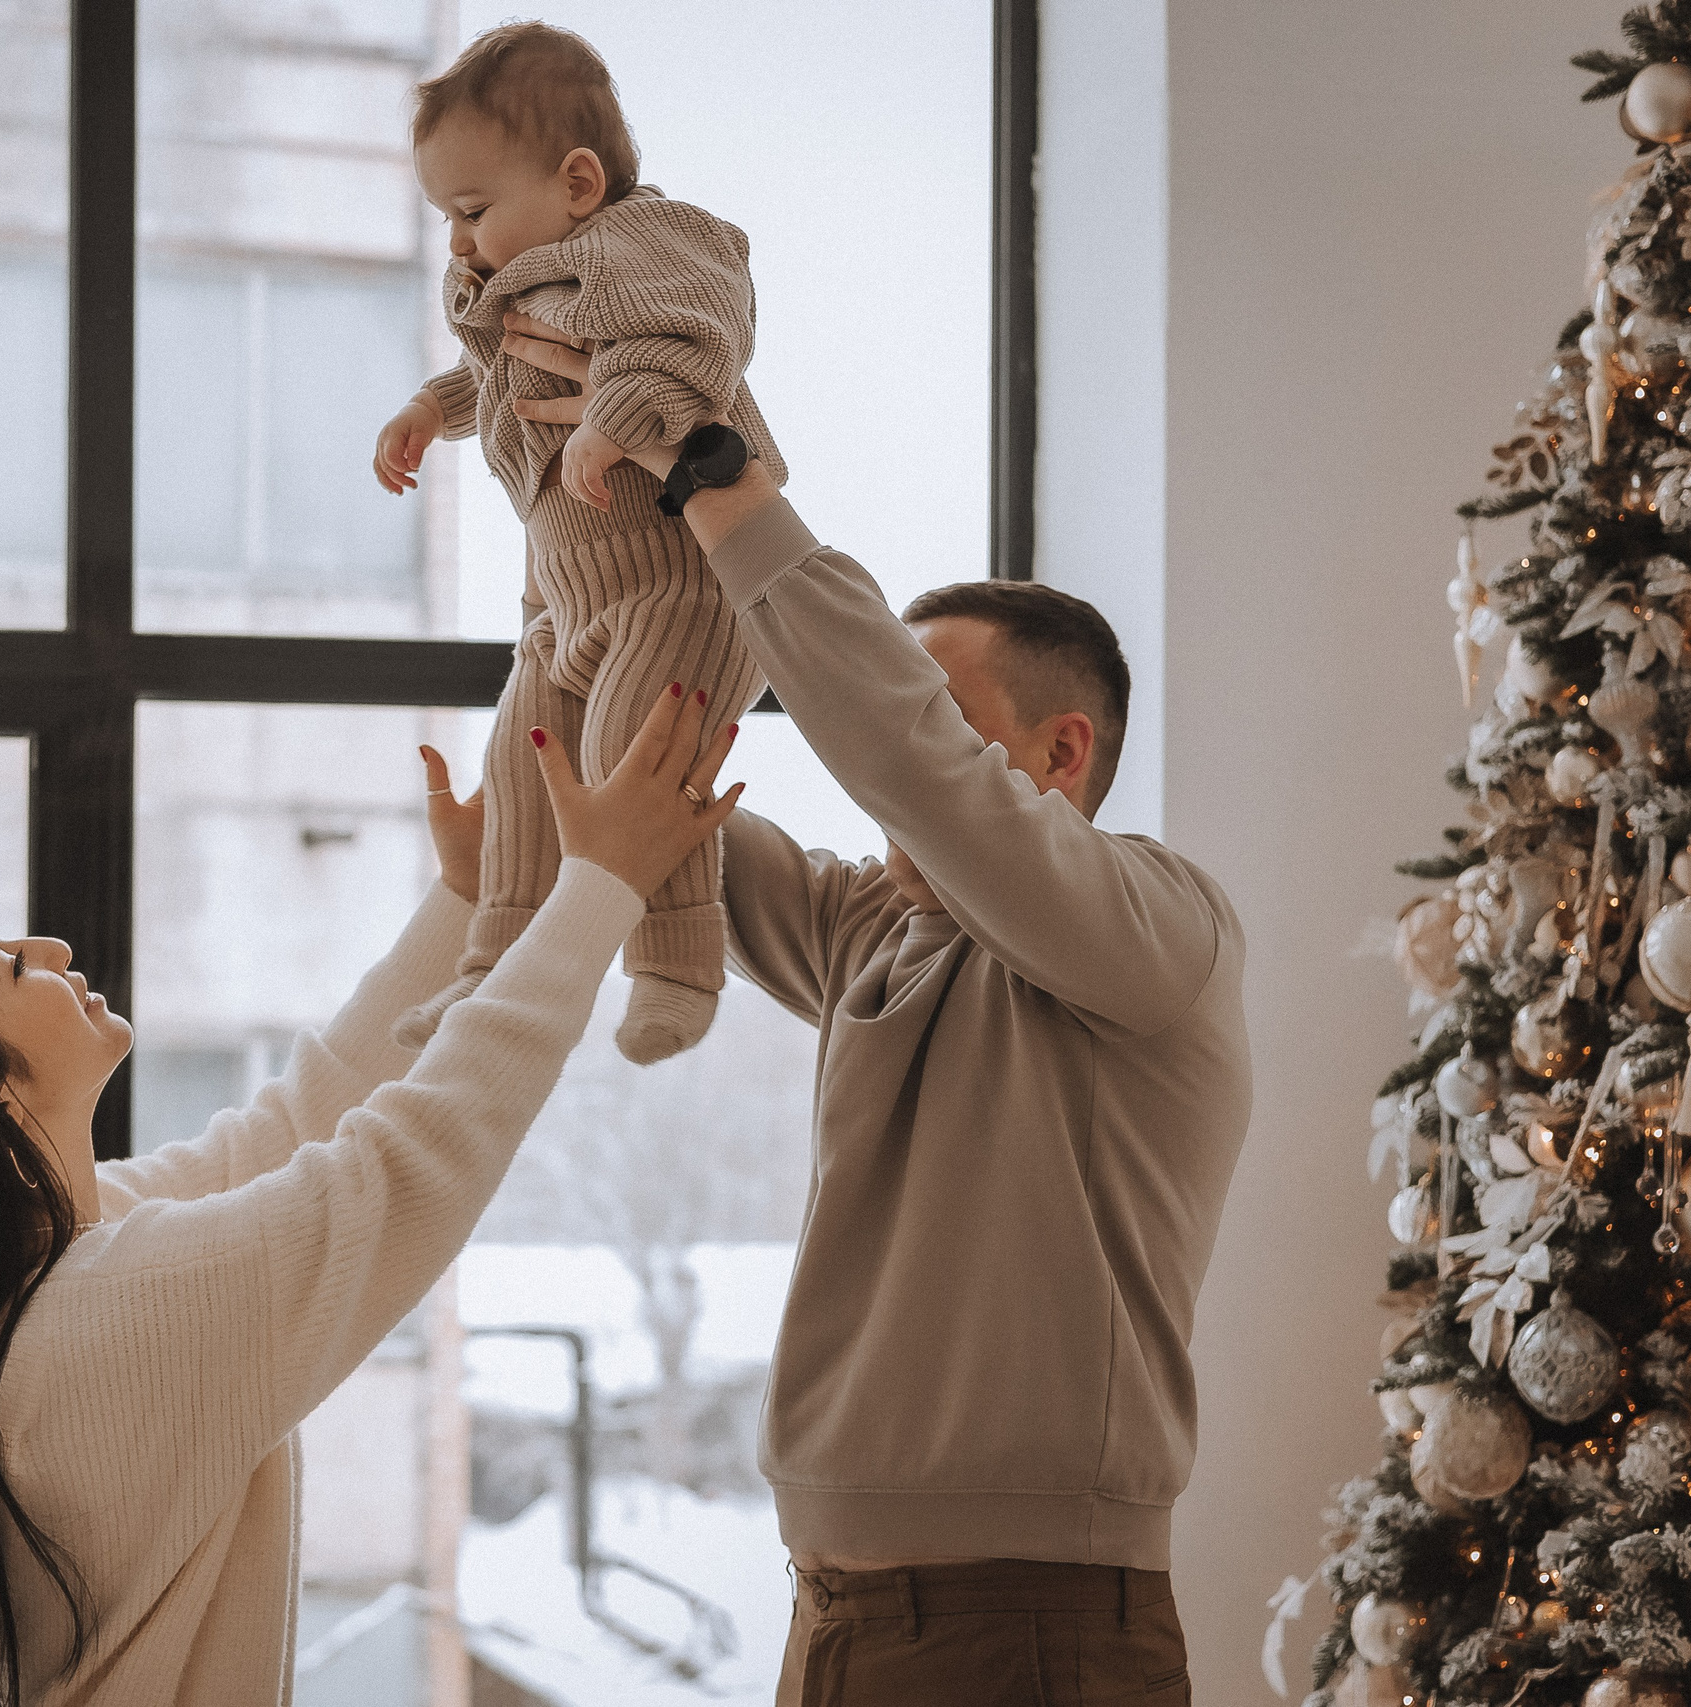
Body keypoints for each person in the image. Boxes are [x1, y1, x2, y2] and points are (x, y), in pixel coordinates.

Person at [483, 318, 1252, 1705]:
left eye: (945, 722)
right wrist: (579, 546)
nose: (882, 779)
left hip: (1029, 1621)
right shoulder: (878, 936)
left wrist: (723, 479)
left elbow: (904, 752)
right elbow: (656, 803)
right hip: (836, 1609)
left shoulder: (1162, 927)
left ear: (1061, 753)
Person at [0, 687, 743, 1706]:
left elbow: (293, 1130)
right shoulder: (103, 1316)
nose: (52, 951)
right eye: (10, 966)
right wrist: (600, 887)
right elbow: (405, 1163)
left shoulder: (52, 1264)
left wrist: (465, 904)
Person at [371, 21, 786, 1066]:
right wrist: (432, 406)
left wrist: (620, 412)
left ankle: (677, 964)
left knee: (629, 766)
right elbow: (511, 374)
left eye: (470, 212)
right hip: (563, 607)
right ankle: (488, 975)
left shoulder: (641, 246)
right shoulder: (532, 281)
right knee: (520, 772)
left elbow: (700, 331)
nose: (458, 243)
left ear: (578, 181)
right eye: (445, 221)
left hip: (673, 594)